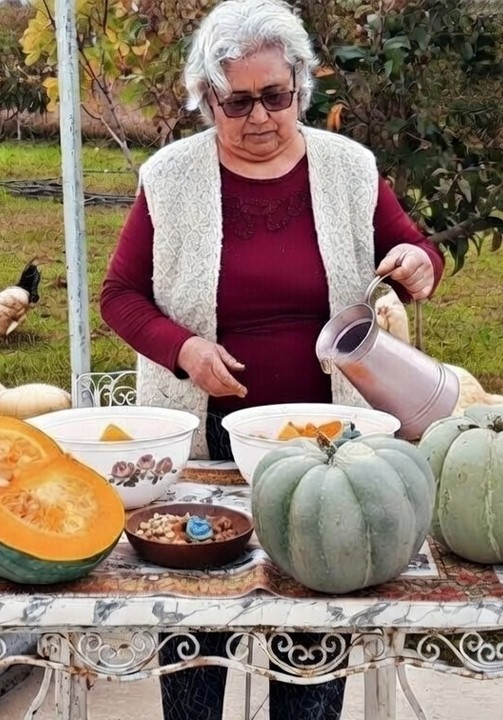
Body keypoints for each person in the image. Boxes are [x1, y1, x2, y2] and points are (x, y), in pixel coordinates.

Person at [98, 1, 446, 719]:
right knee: (197, 633)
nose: (260, 117)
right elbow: (119, 296)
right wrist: (184, 349)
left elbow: (418, 250)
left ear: (300, 89)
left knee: (314, 630)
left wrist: (418, 261)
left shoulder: (349, 170)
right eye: (238, 102)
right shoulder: (171, 178)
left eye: (276, 97)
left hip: (332, 453)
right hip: (210, 452)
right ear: (208, 100)